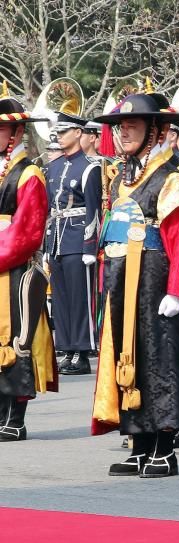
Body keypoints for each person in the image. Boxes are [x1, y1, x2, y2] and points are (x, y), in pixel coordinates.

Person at [91, 93, 179, 477]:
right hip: (123, 278)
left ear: (156, 130)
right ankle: (139, 442)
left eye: (133, 126)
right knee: (129, 357)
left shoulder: (171, 175)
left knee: (159, 360)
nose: (123, 132)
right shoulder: (123, 176)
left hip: (156, 279)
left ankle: (163, 447)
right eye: (121, 126)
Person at [0, 82, 57, 442]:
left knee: (18, 339)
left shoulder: (29, 174)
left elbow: (27, 232)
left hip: (14, 268)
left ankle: (14, 417)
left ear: (18, 131)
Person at [44, 112, 102, 376]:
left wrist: (90, 247)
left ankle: (82, 351)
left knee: (80, 299)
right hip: (56, 239)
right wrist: (46, 246)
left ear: (78, 133)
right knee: (61, 299)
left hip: (78, 239)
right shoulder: (53, 168)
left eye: (65, 131)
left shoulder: (90, 167)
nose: (59, 135)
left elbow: (93, 210)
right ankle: (67, 348)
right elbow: (49, 209)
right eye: (58, 131)